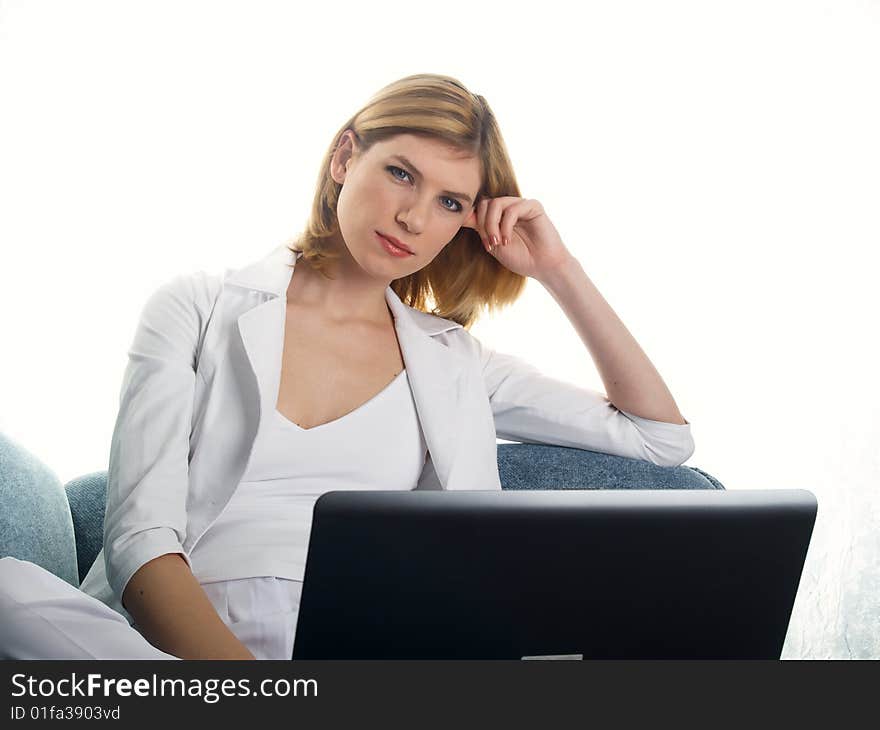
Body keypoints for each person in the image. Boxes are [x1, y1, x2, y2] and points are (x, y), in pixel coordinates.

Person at [0, 73, 693, 660]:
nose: (414, 218)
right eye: (400, 173)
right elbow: (139, 537)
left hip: (374, 652)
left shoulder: (453, 360)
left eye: (449, 202)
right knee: (10, 593)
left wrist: (558, 270)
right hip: (182, 654)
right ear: (343, 157)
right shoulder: (198, 306)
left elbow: (659, 439)